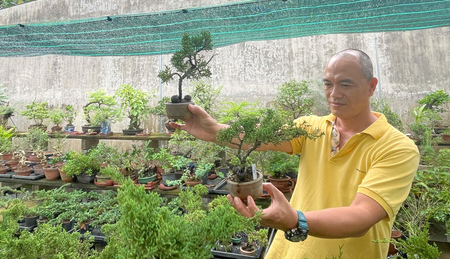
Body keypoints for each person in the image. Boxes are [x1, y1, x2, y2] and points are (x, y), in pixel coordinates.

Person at [171, 49, 419, 258]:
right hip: (286, 252)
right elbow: (258, 135)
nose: (334, 94)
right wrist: (214, 130)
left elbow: (361, 217)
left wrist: (295, 220)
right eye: (328, 84)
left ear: (371, 86)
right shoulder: (313, 128)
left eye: (346, 84)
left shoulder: (396, 147)